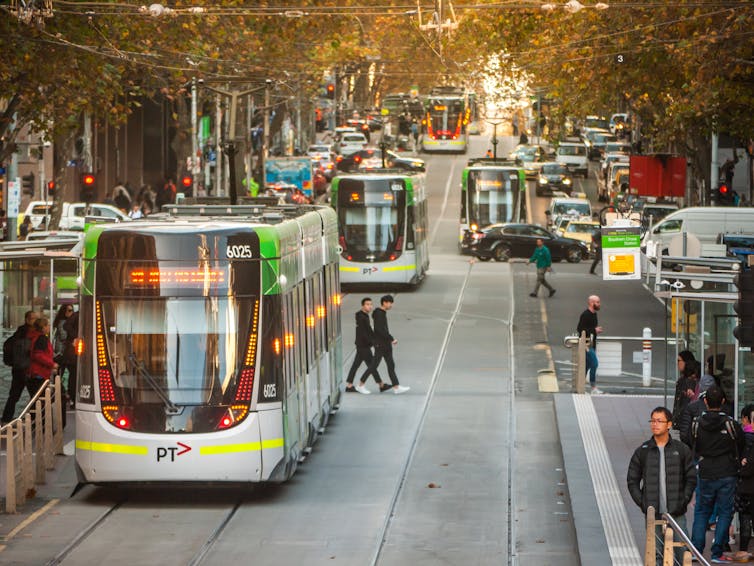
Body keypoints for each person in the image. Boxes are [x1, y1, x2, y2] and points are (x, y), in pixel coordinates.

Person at [627, 407, 696, 566]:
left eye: (659, 421)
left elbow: (691, 478)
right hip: (654, 514)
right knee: (656, 555)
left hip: (676, 512)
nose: (655, 424)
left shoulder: (681, 449)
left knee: (683, 553)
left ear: (669, 424)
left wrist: (683, 500)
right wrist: (644, 503)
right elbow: (632, 480)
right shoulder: (643, 451)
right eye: (653, 420)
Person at [691, 385, 745, 563]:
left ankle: (696, 550)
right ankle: (717, 553)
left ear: (705, 401)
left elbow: (692, 444)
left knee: (701, 512)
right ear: (722, 402)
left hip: (705, 471)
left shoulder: (697, 423)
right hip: (727, 473)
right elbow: (741, 444)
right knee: (724, 512)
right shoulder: (731, 424)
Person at [344, 298, 389, 395]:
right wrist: (374, 342)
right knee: (372, 365)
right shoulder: (361, 317)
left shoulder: (364, 316)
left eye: (371, 304)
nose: (370, 306)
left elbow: (368, 331)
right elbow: (365, 332)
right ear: (363, 306)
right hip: (363, 346)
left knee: (357, 365)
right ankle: (381, 385)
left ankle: (349, 385)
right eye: (367, 304)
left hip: (362, 345)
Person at [1, 310, 39, 424]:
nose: (35, 321)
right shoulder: (29, 333)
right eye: (33, 318)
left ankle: (6, 419)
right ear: (27, 319)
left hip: (18, 369)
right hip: (27, 369)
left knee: (14, 395)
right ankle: (33, 421)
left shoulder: (19, 332)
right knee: (34, 396)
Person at [370, 295, 410, 394]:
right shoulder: (379, 314)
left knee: (390, 365)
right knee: (374, 365)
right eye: (389, 303)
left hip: (384, 344)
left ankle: (396, 387)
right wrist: (391, 338)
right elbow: (380, 329)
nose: (391, 305)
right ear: (384, 303)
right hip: (381, 344)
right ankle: (360, 384)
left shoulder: (381, 313)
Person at [735, 404, 754, 562]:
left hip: (745, 487)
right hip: (747, 486)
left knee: (745, 518)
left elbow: (745, 467)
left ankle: (743, 550)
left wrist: (742, 467)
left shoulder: (742, 438)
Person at [577, 295, 603, 394]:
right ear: (591, 303)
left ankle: (581, 387)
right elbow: (580, 329)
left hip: (591, 344)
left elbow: (590, 329)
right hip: (586, 345)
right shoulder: (586, 315)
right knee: (594, 364)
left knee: (587, 366)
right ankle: (593, 388)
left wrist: (595, 331)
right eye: (597, 302)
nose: (599, 304)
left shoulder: (594, 314)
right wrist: (594, 330)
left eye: (599, 302)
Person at [52, 304, 76, 406]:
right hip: (62, 353)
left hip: (64, 353)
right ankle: (64, 394)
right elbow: (63, 336)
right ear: (64, 312)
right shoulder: (63, 323)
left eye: (72, 310)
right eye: (69, 310)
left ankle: (64, 394)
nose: (72, 313)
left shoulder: (65, 322)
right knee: (62, 375)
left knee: (61, 375)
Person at [27, 317, 58, 396]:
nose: (49, 327)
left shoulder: (35, 337)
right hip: (39, 373)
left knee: (37, 399)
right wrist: (52, 364)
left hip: (34, 372)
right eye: (47, 325)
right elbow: (38, 355)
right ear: (43, 327)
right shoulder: (42, 339)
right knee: (41, 399)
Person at [673, 350, 699, 425]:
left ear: (686, 361)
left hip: (686, 420)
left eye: (679, 361)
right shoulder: (683, 379)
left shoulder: (690, 380)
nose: (677, 363)